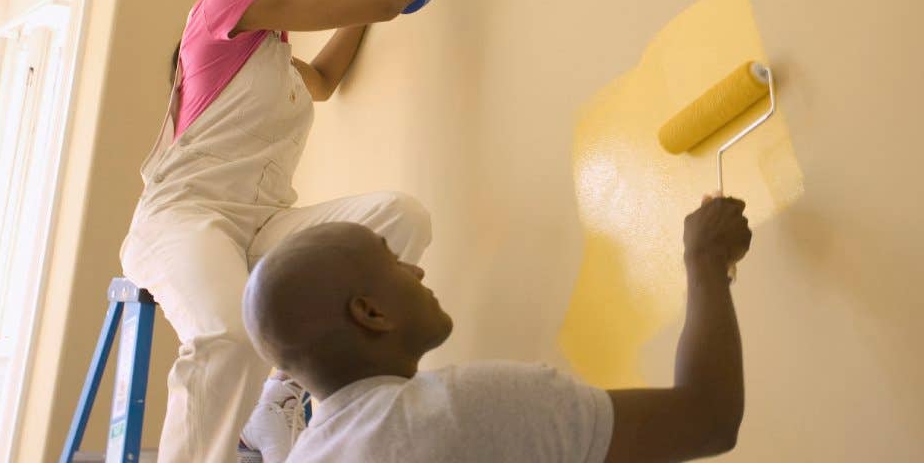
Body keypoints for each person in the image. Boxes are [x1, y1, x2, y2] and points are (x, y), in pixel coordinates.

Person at [119, 0, 445, 463]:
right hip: (185, 219)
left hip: (264, 225)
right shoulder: (227, 2)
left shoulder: (266, 47)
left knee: (398, 216)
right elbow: (389, 1)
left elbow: (322, 80)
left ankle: (278, 399)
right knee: (227, 336)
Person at [242, 195, 752, 462]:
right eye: (393, 261)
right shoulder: (461, 411)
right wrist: (706, 260)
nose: (416, 271)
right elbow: (707, 419)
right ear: (370, 313)